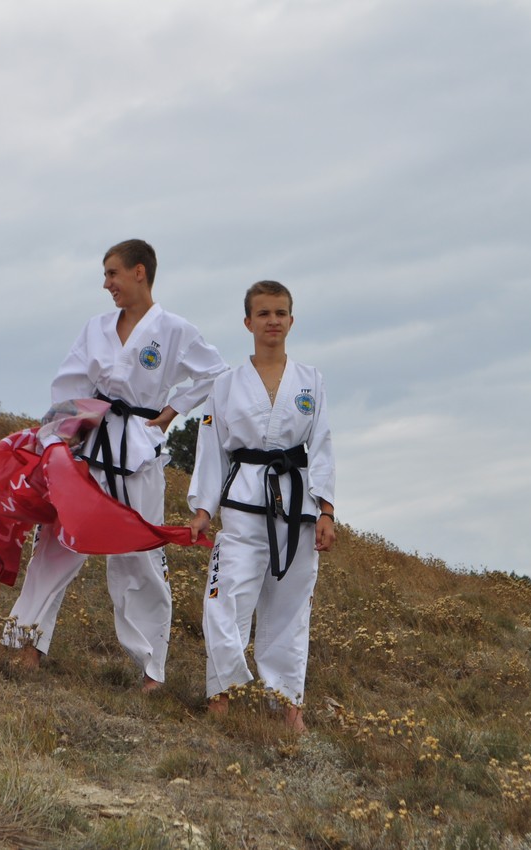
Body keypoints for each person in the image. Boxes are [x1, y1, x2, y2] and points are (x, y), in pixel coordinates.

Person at [3, 239, 227, 691]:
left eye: (112, 273)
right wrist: (60, 433)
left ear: (139, 272)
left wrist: (173, 409)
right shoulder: (97, 328)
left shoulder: (175, 330)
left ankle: (151, 668)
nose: (107, 284)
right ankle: (27, 643)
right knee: (57, 543)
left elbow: (216, 372)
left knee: (139, 557)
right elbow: (69, 383)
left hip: (139, 452)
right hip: (89, 447)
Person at [187, 280, 336, 732]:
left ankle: (288, 705)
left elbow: (322, 446)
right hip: (243, 503)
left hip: (298, 507)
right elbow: (211, 448)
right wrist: (203, 510)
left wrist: (327, 510)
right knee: (225, 599)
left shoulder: (311, 380)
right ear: (248, 322)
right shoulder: (226, 384)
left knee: (291, 609)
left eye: (280, 313)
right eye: (264, 313)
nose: (273, 321)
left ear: (291, 320)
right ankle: (222, 693)